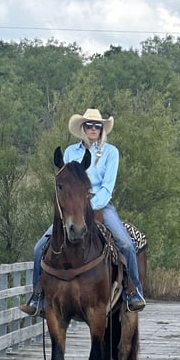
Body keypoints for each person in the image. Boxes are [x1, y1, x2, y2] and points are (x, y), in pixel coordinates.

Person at [21, 108, 146, 316]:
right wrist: (75, 206)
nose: (93, 129)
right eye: (89, 125)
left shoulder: (111, 152)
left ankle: (134, 293)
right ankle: (38, 295)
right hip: (73, 208)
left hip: (101, 205)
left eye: (98, 126)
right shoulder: (70, 152)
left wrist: (89, 205)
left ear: (102, 129)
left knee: (125, 243)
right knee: (38, 248)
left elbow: (107, 187)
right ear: (83, 128)